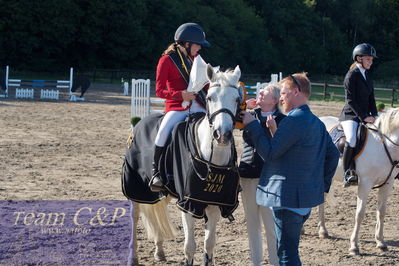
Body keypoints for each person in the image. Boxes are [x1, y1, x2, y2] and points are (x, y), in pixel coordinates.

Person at [240, 73, 339, 266]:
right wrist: (322, 187)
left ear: (296, 92)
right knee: (289, 251)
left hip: (287, 200)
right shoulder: (317, 122)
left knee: (286, 255)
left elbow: (269, 154)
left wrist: (253, 126)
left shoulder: (292, 121)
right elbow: (333, 156)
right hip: (305, 201)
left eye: (284, 93)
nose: (281, 97)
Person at [149, 22, 210, 192]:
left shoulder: (196, 60)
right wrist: (180, 95)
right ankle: (156, 172)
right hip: (177, 107)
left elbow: (204, 84)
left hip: (198, 105)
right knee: (162, 132)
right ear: (187, 43)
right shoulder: (166, 60)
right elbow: (159, 91)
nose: (200, 48)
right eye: (198, 45)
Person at [238, 84, 285, 266]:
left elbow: (278, 147)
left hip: (269, 178)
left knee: (270, 225)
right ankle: (255, 262)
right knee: (252, 224)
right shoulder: (250, 114)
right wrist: (244, 106)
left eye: (264, 92)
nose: (259, 93)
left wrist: (256, 124)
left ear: (274, 100)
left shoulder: (281, 119)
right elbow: (227, 112)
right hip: (247, 173)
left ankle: (274, 261)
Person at [339, 43, 378, 187]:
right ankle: (347, 172)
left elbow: (371, 98)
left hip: (366, 114)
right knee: (351, 139)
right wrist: (363, 117)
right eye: (368, 59)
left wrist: (374, 115)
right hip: (350, 116)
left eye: (371, 60)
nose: (371, 62)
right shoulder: (351, 75)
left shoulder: (367, 75)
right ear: (359, 58)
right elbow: (350, 100)